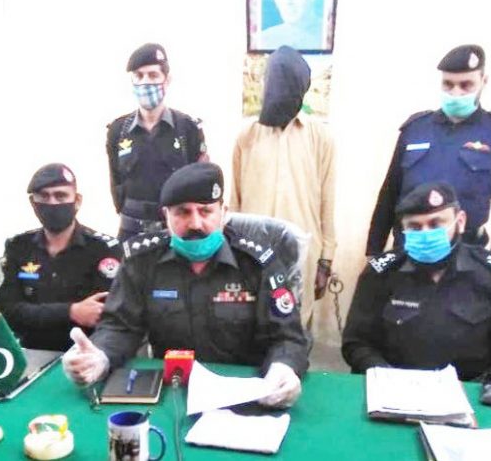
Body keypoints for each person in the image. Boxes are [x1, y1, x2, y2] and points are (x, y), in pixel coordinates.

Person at [63, 162, 310, 408]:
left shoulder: (257, 263)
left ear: (223, 213)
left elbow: (287, 337)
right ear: (166, 216)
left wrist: (284, 368)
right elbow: (120, 327)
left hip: (245, 393)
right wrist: (99, 356)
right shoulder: (142, 261)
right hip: (171, 392)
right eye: (183, 212)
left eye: (205, 211)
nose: (195, 224)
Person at [343, 182, 491, 382]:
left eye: (435, 224)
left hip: (471, 393)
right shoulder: (380, 274)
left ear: (460, 222)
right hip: (393, 388)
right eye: (414, 227)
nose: (425, 234)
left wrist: (477, 389)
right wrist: (387, 377)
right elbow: (357, 343)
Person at [366, 44, 491, 258]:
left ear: (483, 82)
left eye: (466, 85)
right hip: (409, 252)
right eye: (448, 84)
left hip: (467, 257)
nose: (456, 93)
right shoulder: (415, 129)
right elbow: (389, 194)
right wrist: (374, 252)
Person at [231, 45, 336, 328]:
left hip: (302, 257)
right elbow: (235, 202)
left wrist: (325, 261)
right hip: (252, 254)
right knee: (252, 329)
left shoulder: (320, 137)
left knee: (295, 331)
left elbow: (327, 202)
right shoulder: (247, 136)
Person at [0, 163, 122, 352]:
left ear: (77, 200)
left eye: (60, 196)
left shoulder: (104, 249)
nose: (52, 203)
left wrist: (34, 313)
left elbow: (106, 317)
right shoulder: (18, 247)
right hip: (33, 354)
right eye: (44, 196)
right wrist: (71, 312)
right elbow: (5, 312)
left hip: (87, 354)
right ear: (33, 203)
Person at [106, 43, 208, 241]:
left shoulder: (187, 129)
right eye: (139, 76)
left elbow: (199, 185)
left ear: (166, 80)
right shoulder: (118, 130)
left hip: (173, 233)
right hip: (131, 232)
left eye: (153, 75)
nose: (145, 82)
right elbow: (116, 183)